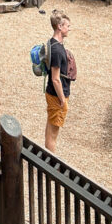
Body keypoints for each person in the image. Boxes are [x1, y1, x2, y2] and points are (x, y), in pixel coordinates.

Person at [45, 9, 72, 153]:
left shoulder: (52, 43)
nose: (69, 29)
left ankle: (47, 157)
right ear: (59, 27)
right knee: (53, 135)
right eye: (67, 26)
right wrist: (62, 99)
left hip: (50, 93)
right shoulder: (57, 51)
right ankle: (51, 166)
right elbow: (55, 79)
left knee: (50, 127)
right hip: (56, 95)